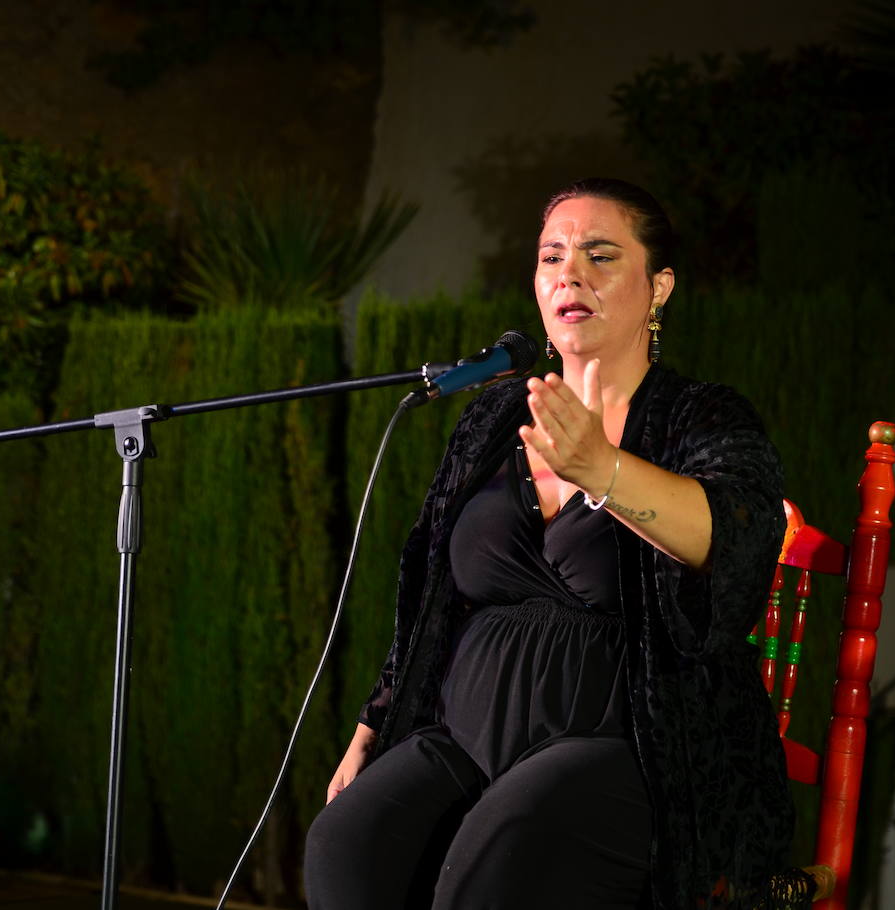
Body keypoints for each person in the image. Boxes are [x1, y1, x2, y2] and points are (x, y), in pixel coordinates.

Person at [304, 178, 794, 909]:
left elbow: (734, 543)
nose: (570, 274)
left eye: (600, 256)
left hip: (633, 749)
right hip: (467, 736)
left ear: (659, 287)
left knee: (503, 848)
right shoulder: (499, 413)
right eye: (552, 257)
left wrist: (601, 469)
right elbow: (432, 589)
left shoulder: (701, 415)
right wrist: (374, 722)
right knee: (345, 842)